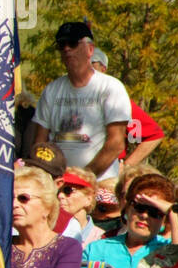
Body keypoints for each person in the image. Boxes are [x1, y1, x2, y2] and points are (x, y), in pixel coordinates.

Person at [25, 21, 130, 181]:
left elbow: (116, 143)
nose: (67, 49)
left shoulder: (110, 88)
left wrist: (83, 177)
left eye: (73, 43)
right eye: (61, 45)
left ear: (90, 49)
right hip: (57, 182)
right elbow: (40, 142)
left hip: (99, 183)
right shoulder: (51, 90)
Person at [82, 173, 176, 268]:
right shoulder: (96, 248)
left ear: (165, 219)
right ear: (127, 209)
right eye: (139, 207)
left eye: (154, 211)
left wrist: (172, 210)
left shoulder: (170, 252)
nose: (144, 215)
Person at [92, 47, 162, 170]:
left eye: (92, 64)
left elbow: (153, 136)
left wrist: (126, 166)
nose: (85, 69)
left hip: (106, 173)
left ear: (103, 69)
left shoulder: (116, 101)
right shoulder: (64, 98)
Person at [56, 168, 102, 245]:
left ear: (88, 199)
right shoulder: (48, 231)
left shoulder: (100, 239)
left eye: (68, 190)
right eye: (58, 191)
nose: (60, 196)